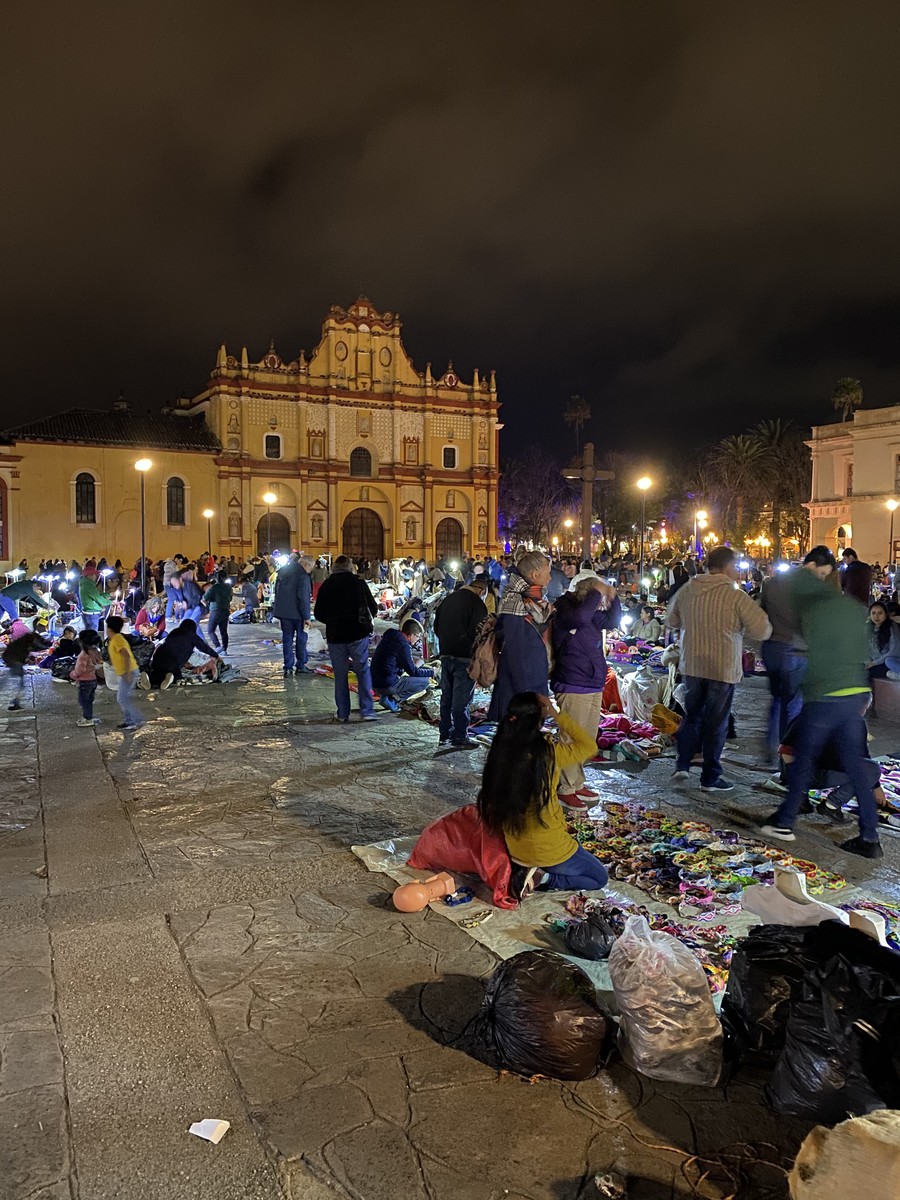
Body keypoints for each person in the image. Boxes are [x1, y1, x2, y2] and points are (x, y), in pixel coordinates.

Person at [761, 560, 883, 859]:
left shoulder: (816, 611)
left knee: (804, 757)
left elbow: (816, 653)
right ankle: (869, 837)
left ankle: (786, 821)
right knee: (855, 765)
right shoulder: (853, 609)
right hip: (855, 693)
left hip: (827, 694)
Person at [476, 693, 609, 899]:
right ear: (539, 720)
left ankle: (526, 870)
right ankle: (543, 879)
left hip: (517, 849)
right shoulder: (549, 752)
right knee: (599, 877)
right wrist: (556, 713)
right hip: (548, 848)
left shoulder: (501, 749)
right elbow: (589, 746)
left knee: (575, 849)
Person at [667, 545, 772, 792]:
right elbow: (762, 629)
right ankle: (710, 777)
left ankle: (682, 764)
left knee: (692, 716)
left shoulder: (687, 590)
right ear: (728, 567)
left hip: (693, 663)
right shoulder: (734, 595)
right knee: (717, 722)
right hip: (721, 667)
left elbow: (671, 620)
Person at [550, 577, 621, 809]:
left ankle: (576, 782)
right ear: (587, 594)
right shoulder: (566, 609)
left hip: (592, 682)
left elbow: (612, 621)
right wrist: (597, 592)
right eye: (596, 597)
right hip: (572, 682)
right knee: (572, 738)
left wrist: (613, 596)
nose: (598, 603)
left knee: (586, 739)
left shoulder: (589, 613)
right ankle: (564, 788)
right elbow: (579, 619)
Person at [758, 548, 835, 760]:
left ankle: (771, 746)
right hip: (795, 651)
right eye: (822, 574)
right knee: (793, 705)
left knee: (777, 700)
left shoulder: (772, 583)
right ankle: (786, 756)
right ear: (812, 565)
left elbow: (761, 613)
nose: (822, 579)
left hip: (771, 648)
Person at [487, 550, 553, 723]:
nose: (551, 578)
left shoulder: (531, 601)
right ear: (535, 575)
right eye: (548, 573)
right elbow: (515, 651)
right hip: (520, 689)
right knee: (519, 738)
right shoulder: (516, 604)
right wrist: (528, 696)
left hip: (530, 679)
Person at [313, 555, 379, 722]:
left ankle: (343, 713)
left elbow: (318, 612)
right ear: (350, 567)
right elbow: (373, 607)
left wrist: (333, 620)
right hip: (357, 632)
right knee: (362, 671)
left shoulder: (327, 585)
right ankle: (367, 710)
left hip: (336, 635)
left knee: (340, 675)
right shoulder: (359, 583)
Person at [433, 575, 489, 751]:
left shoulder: (448, 599)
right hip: (464, 656)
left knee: (446, 697)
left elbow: (436, 626)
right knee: (462, 699)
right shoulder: (477, 604)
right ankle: (460, 735)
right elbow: (479, 634)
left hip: (445, 653)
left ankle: (444, 733)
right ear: (482, 591)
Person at [141, 619, 221, 691]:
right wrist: (215, 655)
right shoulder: (192, 635)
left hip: (158, 657)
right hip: (173, 662)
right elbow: (204, 647)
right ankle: (171, 677)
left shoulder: (174, 632)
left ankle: (150, 677)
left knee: (157, 673)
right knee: (176, 675)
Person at [371, 619, 434, 711]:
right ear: (411, 635)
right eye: (417, 636)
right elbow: (413, 672)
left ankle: (387, 697)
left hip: (375, 681)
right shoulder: (403, 645)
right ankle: (393, 700)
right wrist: (432, 672)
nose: (417, 640)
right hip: (386, 684)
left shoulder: (391, 636)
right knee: (425, 682)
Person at [272, 553, 312, 675]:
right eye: (311, 567)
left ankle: (288, 666)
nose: (310, 571)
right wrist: (307, 616)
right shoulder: (303, 575)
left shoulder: (283, 571)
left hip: (284, 612)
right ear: (306, 564)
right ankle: (301, 665)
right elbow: (303, 597)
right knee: (301, 639)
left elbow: (276, 591)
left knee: (287, 639)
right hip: (298, 614)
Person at [105, 614, 143, 730]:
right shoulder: (115, 639)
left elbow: (125, 655)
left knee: (122, 698)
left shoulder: (117, 639)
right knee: (123, 698)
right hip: (128, 671)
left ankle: (136, 720)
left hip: (129, 671)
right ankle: (130, 721)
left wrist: (127, 673)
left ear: (109, 628)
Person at [2, 625, 49, 710]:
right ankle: (16, 702)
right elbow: (41, 645)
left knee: (10, 680)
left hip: (12, 660)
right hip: (15, 661)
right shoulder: (29, 640)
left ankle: (16, 701)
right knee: (18, 683)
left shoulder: (21, 641)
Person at [72, 628, 103, 726]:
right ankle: (88, 716)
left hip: (85, 681)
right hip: (93, 680)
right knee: (89, 700)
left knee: (84, 701)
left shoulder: (83, 655)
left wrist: (72, 674)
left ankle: (87, 718)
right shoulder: (95, 651)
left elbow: (80, 670)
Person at [866, 599, 900, 681]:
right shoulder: (867, 629)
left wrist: (874, 663)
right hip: (876, 663)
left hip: (888, 661)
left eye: (880, 613)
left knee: (888, 661)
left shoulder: (891, 627)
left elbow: (894, 651)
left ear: (885, 614)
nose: (876, 616)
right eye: (873, 613)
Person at [204, 572, 233, 654]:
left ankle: (218, 646)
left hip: (216, 610)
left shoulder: (215, 587)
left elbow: (205, 597)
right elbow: (230, 598)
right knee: (223, 631)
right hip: (226, 610)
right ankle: (224, 649)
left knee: (210, 630)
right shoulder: (229, 587)